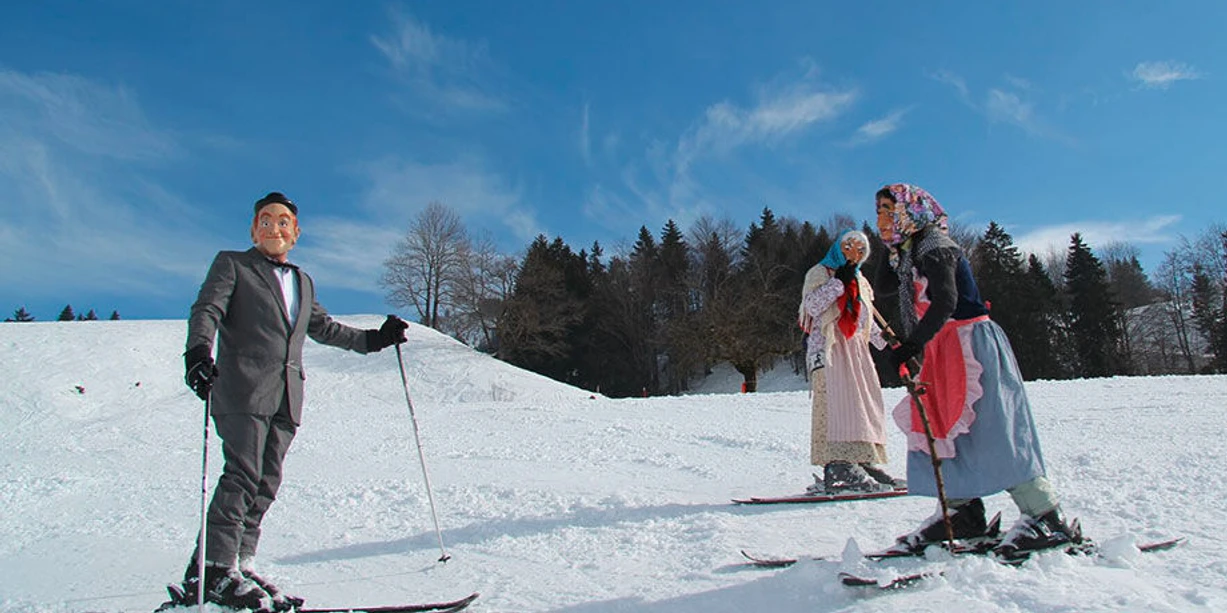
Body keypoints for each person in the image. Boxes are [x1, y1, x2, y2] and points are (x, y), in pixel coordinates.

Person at [176, 191, 410, 610]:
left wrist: (375, 340)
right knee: (242, 474)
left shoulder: (302, 281)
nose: (274, 228)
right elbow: (207, 309)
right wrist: (198, 352)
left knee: (266, 482)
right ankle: (212, 569)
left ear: (296, 233)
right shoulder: (233, 264)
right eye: (265, 221)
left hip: (287, 395)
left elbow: (324, 328)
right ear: (253, 230)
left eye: (283, 221)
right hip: (243, 387)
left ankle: (239, 563)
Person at [873, 183, 1080, 559]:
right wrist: (890, 249)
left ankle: (1046, 515)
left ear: (912, 211)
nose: (882, 219)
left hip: (971, 346)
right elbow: (883, 287)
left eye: (890, 210)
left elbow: (946, 301)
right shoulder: (909, 252)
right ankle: (963, 513)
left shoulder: (935, 246)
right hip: (943, 347)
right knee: (945, 429)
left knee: (992, 428)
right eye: (879, 212)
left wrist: (912, 344)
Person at [798, 230, 903, 493]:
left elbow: (865, 319)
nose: (853, 254)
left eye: (860, 251)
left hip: (856, 349)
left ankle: (861, 460)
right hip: (829, 346)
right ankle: (838, 464)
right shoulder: (820, 273)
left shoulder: (861, 281)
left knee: (862, 406)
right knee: (835, 405)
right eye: (848, 247)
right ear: (838, 248)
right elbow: (811, 308)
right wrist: (838, 284)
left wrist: (888, 344)